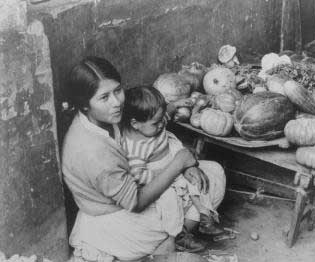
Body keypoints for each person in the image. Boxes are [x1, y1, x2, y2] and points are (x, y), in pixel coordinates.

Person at [61, 56, 226, 261]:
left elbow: (154, 120)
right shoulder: (93, 152)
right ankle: (170, 241)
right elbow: (136, 202)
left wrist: (186, 166)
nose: (116, 102)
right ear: (84, 105)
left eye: (118, 90)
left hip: (130, 193)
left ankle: (168, 239)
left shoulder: (108, 116)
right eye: (104, 97)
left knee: (212, 173)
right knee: (202, 189)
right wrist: (178, 164)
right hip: (116, 219)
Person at [120, 86, 224, 247]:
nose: (162, 124)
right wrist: (165, 174)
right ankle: (178, 235)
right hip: (161, 178)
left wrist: (176, 104)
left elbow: (166, 112)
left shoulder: (153, 122)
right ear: (135, 124)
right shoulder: (135, 147)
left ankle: (205, 218)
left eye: (162, 119)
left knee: (197, 183)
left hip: (175, 167)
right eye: (156, 123)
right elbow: (138, 175)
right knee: (169, 203)